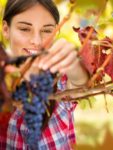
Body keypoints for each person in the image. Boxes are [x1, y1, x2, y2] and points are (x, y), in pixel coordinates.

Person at [1, 0, 89, 149]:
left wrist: (73, 64)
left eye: (47, 30)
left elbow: (81, 82)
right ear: (6, 29)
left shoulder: (59, 78)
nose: (36, 41)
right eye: (24, 28)